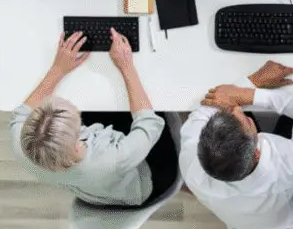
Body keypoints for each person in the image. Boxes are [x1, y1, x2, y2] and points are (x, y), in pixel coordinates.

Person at [10, 29, 178, 207]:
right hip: (146, 180)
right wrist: (126, 65)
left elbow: (22, 112)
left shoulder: (21, 144)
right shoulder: (109, 158)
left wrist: (58, 69)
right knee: (154, 101)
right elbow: (149, 124)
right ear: (78, 139)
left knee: (99, 102)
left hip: (94, 187)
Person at [179, 60, 293, 229]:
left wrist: (250, 83)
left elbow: (204, 109)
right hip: (287, 219)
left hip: (240, 221)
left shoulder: (191, 167)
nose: (236, 109)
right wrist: (251, 93)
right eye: (246, 120)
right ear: (256, 153)